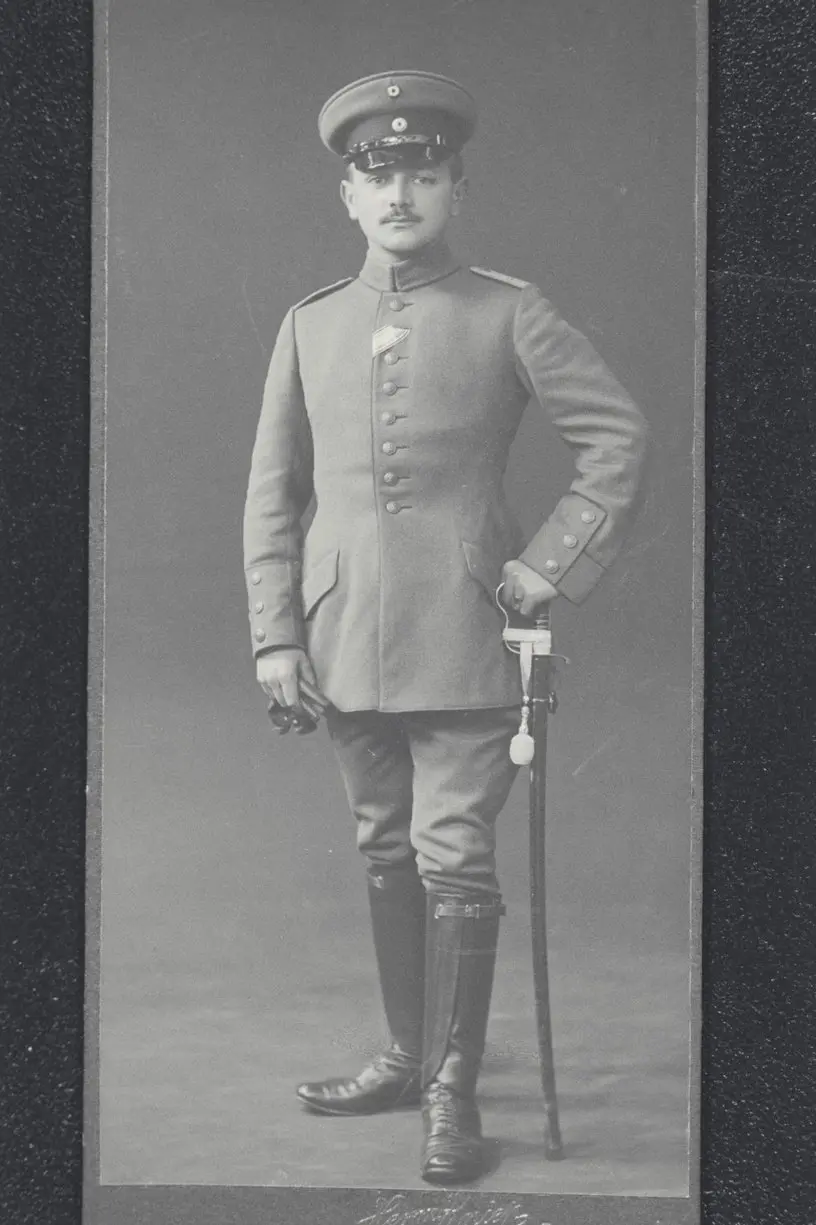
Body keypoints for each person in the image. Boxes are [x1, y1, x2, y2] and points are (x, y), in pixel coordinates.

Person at [243, 70, 648, 1185]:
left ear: (456, 190)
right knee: (384, 848)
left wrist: (544, 568)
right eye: (379, 178)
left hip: (471, 635)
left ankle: (451, 1094)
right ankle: (407, 1054)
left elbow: (617, 439)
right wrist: (276, 634)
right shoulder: (310, 324)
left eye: (423, 176)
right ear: (348, 196)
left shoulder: (510, 311)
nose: (400, 195)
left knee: (452, 851)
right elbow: (273, 493)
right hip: (340, 645)